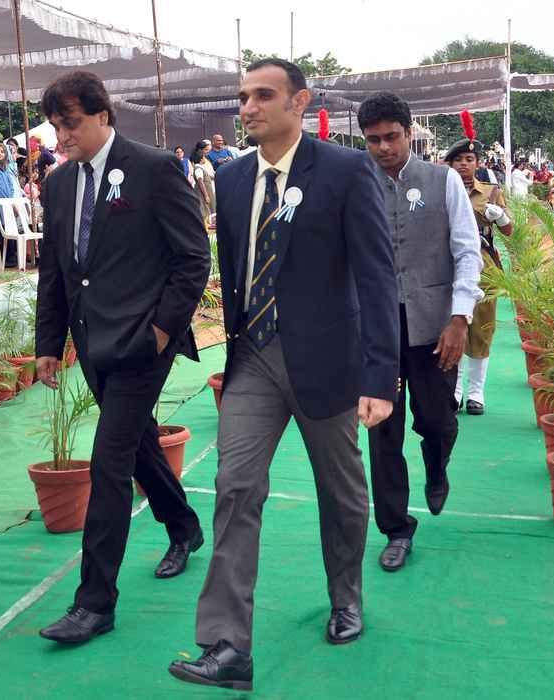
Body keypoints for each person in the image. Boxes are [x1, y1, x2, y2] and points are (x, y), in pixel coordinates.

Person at [168, 58, 400, 691]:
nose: (249, 106)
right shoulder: (231, 177)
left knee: (342, 493)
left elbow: (378, 276)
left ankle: (346, 597)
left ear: (300, 102)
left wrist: (379, 376)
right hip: (252, 360)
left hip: (328, 363)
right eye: (243, 96)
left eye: (263, 95)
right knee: (235, 487)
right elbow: (235, 269)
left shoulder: (346, 171)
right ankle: (226, 646)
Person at [34, 71, 209, 646]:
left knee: (108, 461)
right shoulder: (60, 183)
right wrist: (48, 345)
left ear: (103, 115)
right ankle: (183, 525)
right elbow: (55, 269)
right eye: (56, 127)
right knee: (134, 444)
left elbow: (192, 258)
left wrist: (160, 331)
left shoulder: (154, 168)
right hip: (91, 340)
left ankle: (94, 603)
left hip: (141, 342)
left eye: (71, 124)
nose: (62, 137)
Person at [358, 98, 482, 576]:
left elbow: (466, 251)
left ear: (410, 133)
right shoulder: (355, 184)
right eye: (373, 140)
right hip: (376, 333)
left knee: (438, 421)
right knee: (382, 433)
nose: (384, 147)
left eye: (392, 136)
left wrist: (459, 318)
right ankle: (396, 529)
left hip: (435, 327)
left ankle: (436, 465)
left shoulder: (443, 180)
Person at [447, 128, 513, 417]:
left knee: (482, 328)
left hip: (483, 266)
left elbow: (509, 231)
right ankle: (455, 390)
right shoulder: (442, 189)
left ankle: (476, 392)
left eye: (469, 159)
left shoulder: (490, 192)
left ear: (477, 163)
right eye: (458, 159)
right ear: (450, 163)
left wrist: (501, 216)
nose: (464, 164)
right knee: (454, 324)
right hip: (448, 264)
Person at [190, 142, 214, 225]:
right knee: (204, 211)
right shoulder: (198, 169)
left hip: (206, 192)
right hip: (202, 194)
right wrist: (206, 195)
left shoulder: (200, 167)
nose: (205, 159)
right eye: (203, 158)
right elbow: (200, 182)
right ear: (200, 159)